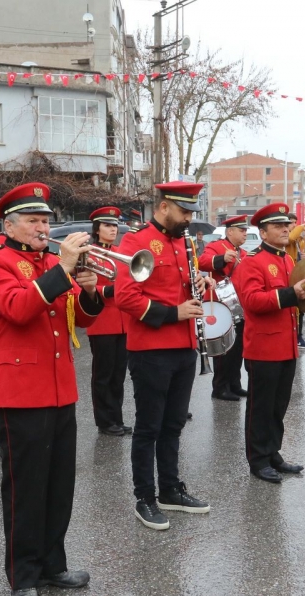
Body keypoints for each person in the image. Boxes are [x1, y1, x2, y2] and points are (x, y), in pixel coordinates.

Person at [0, 182, 102, 596]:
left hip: (59, 386)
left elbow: (80, 319)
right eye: (33, 220)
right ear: (9, 225)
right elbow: (17, 308)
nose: (42, 227)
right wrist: (63, 270)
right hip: (20, 390)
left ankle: (52, 564)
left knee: (58, 485)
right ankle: (22, 577)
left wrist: (88, 289)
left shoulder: (52, 263)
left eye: (46, 220)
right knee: (25, 489)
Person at [116, 181, 212, 531]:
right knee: (149, 428)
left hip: (184, 349)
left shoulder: (183, 243)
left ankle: (170, 488)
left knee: (173, 425)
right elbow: (126, 297)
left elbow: (183, 287)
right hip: (152, 350)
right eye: (184, 211)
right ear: (164, 207)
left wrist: (200, 281)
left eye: (191, 212)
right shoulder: (135, 242)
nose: (188, 219)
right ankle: (145, 497)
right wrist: (174, 313)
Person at [233, 203, 305, 483]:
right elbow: (252, 301)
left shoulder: (288, 261)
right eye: (278, 226)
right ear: (263, 233)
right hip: (263, 348)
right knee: (261, 407)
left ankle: (273, 452)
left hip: (286, 345)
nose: (286, 229)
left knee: (279, 405)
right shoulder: (252, 262)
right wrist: (290, 294)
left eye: (286, 225)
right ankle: (258, 459)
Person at [85, 206, 132, 436]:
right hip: (102, 320)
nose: (113, 230)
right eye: (107, 225)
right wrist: (108, 291)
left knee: (118, 374)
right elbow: (85, 284)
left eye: (114, 226)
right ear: (97, 229)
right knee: (103, 374)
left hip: (122, 320)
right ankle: (104, 421)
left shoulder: (119, 252)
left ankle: (117, 418)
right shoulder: (89, 252)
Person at [198, 215, 248, 401]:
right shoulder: (217, 246)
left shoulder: (241, 252)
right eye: (241, 230)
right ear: (230, 232)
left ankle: (234, 384)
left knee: (238, 348)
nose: (245, 233)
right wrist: (221, 258)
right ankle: (220, 387)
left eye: (245, 231)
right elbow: (202, 262)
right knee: (224, 348)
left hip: (237, 304)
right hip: (221, 303)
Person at [285, 213, 305, 350]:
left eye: (295, 222)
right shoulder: (286, 238)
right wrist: (301, 227)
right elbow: (290, 238)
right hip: (289, 277)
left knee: (300, 309)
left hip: (298, 275)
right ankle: (292, 336)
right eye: (291, 222)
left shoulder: (298, 239)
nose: (293, 225)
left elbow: (301, 253)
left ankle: (299, 336)